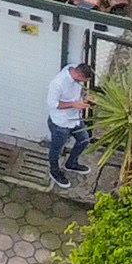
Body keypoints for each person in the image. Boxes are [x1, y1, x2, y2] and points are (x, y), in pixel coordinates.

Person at [46, 58, 94, 186]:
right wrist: (74, 104)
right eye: (84, 80)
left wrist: (84, 96)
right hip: (61, 123)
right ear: (79, 75)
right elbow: (52, 104)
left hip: (75, 119)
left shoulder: (73, 67)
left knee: (84, 140)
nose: (84, 83)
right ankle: (54, 171)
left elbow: (78, 90)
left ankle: (71, 163)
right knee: (56, 150)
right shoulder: (58, 83)